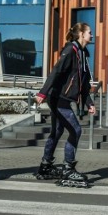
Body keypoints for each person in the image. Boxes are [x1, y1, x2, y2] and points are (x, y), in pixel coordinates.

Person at [35, 22, 96, 187]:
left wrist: (89, 102)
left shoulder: (83, 54)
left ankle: (46, 166)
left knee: (57, 131)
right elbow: (56, 71)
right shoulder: (71, 50)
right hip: (58, 98)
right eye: (89, 32)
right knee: (75, 130)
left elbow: (83, 83)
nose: (92, 35)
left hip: (63, 99)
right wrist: (43, 92)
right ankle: (68, 168)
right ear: (81, 34)